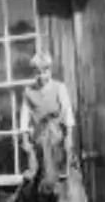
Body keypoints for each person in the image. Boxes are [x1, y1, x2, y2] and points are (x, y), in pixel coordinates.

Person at [19, 51, 76, 181]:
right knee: (35, 171)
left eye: (45, 72)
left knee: (65, 168)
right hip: (39, 136)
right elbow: (24, 118)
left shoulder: (59, 88)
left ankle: (64, 174)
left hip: (57, 135)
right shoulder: (29, 92)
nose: (41, 76)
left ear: (50, 71)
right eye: (38, 73)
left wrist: (69, 136)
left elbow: (67, 113)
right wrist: (25, 139)